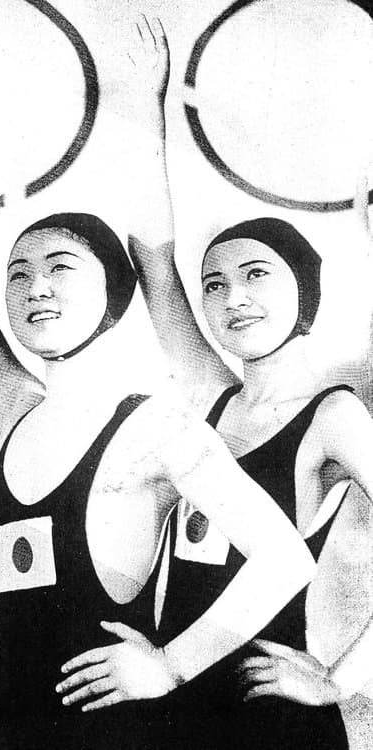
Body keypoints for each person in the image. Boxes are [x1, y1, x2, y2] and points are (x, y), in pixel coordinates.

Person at [0, 16, 315, 750]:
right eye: (20, 273)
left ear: (112, 295)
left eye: (60, 268)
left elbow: (285, 558)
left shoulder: (155, 427)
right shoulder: (16, 410)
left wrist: (172, 665)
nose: (36, 286)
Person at [130, 19, 373, 750]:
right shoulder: (211, 395)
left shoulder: (332, 415)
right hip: (175, 700)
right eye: (215, 284)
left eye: (255, 275)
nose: (232, 297)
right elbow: (153, 268)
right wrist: (147, 109)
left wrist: (344, 678)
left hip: (271, 717)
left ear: (303, 291)